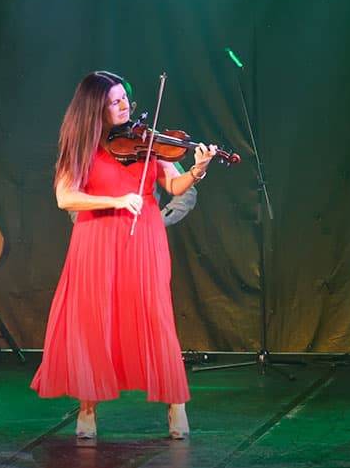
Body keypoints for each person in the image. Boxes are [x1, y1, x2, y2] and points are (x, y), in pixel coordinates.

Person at [33, 72, 214, 440]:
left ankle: (175, 404)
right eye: (114, 101)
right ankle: (88, 410)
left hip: (144, 235)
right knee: (93, 321)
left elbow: (174, 185)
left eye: (125, 100)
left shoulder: (145, 142)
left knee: (155, 315)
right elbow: (65, 197)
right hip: (95, 238)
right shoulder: (80, 145)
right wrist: (115, 200)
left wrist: (198, 168)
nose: (124, 107)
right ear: (95, 108)